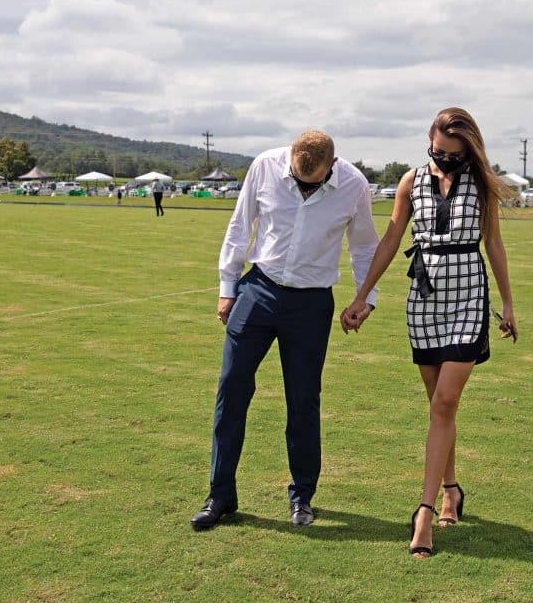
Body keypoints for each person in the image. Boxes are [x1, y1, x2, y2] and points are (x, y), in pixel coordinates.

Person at [341, 107, 516, 559]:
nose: (443, 159)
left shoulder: (481, 186)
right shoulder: (410, 181)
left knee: (445, 402)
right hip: (423, 300)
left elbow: (493, 242)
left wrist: (509, 303)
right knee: (438, 405)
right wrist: (363, 297)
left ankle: (423, 511)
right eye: (438, 151)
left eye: (453, 155)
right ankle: (451, 489)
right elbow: (391, 239)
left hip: (468, 297)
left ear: (469, 151)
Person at [190, 130, 380, 531]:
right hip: (258, 289)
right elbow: (240, 226)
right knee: (232, 387)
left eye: (310, 181)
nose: (300, 184)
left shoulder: (354, 185)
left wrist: (365, 297)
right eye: (295, 176)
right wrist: (227, 288)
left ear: (333, 164)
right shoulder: (264, 166)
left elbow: (363, 245)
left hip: (311, 302)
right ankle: (220, 494)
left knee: (303, 401)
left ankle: (302, 497)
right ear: (291, 158)